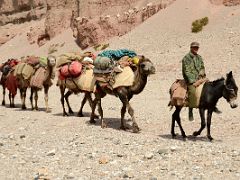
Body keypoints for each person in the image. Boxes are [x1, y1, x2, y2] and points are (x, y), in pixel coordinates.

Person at [182, 42, 221, 121]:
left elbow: (202, 67)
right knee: (193, 91)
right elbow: (186, 71)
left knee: (210, 89)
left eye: (197, 48)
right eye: (194, 47)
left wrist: (202, 74)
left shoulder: (199, 57)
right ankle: (190, 109)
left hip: (200, 78)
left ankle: (212, 106)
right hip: (191, 79)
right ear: (191, 48)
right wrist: (194, 81)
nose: (196, 49)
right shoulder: (186, 58)